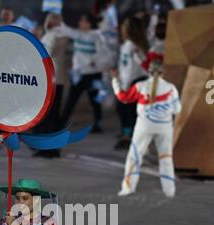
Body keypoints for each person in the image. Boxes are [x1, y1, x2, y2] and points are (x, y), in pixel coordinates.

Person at [112, 59, 182, 198]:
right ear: (163, 72)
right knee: (166, 158)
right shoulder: (171, 88)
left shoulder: (141, 86)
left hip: (144, 127)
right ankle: (169, 191)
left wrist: (115, 81)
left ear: (148, 71)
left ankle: (128, 188)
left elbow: (123, 98)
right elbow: (177, 110)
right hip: (165, 128)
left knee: (135, 157)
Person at [57, 13, 108, 133]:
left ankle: (98, 124)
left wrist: (95, 61)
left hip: (93, 74)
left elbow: (103, 53)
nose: (80, 23)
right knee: (71, 99)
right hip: (78, 74)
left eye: (83, 21)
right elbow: (66, 30)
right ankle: (61, 124)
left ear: (89, 23)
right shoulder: (78, 34)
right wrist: (57, 16)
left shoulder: (97, 36)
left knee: (95, 101)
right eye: (80, 21)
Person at [34, 12, 69, 158]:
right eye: (49, 19)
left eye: (54, 21)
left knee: (52, 117)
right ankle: (44, 147)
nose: (50, 22)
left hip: (56, 81)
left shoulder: (60, 36)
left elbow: (48, 52)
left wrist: (37, 40)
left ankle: (53, 149)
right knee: (45, 116)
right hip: (46, 80)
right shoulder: (47, 34)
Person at [114, 16, 149, 149]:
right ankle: (131, 136)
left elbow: (129, 68)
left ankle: (130, 137)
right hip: (135, 80)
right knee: (131, 112)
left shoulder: (131, 46)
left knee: (125, 110)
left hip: (132, 81)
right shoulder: (136, 45)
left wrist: (124, 86)